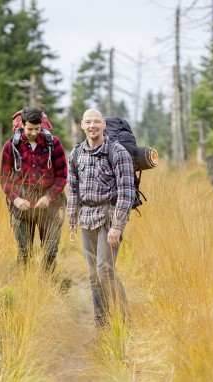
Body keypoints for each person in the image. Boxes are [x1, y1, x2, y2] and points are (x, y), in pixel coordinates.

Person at [67, 108, 133, 327]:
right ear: (82, 126)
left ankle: (123, 322)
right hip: (86, 218)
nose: (92, 125)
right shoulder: (76, 154)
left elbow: (126, 192)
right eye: (88, 122)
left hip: (108, 218)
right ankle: (101, 324)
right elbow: (73, 189)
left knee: (105, 271)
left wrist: (118, 226)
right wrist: (71, 219)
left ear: (104, 124)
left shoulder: (117, 152)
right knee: (93, 276)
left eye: (96, 121)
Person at [0, 106, 67, 271]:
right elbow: (3, 178)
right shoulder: (11, 146)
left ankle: (48, 287)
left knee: (50, 253)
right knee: (24, 253)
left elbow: (62, 176)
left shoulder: (54, 144)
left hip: (50, 207)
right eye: (30, 129)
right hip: (21, 207)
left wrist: (48, 197)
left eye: (37, 129)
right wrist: (16, 199)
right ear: (22, 124)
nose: (34, 133)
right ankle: (26, 289)